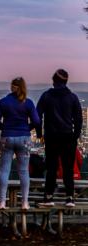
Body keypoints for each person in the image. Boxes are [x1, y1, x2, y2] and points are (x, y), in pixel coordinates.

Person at [36, 69, 82, 207]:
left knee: (51, 167)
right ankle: (70, 198)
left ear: (54, 81)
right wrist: (75, 136)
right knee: (68, 168)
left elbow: (37, 116)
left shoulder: (46, 96)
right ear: (66, 81)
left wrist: (39, 134)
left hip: (51, 137)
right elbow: (79, 119)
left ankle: (49, 197)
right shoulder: (72, 97)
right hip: (68, 137)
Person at [0, 77, 40, 210]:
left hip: (7, 137)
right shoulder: (28, 103)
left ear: (12, 87)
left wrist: (5, 129)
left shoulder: (4, 102)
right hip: (24, 138)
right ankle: (24, 202)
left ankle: (2, 202)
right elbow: (36, 121)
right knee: (24, 171)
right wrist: (26, 129)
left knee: (4, 169)